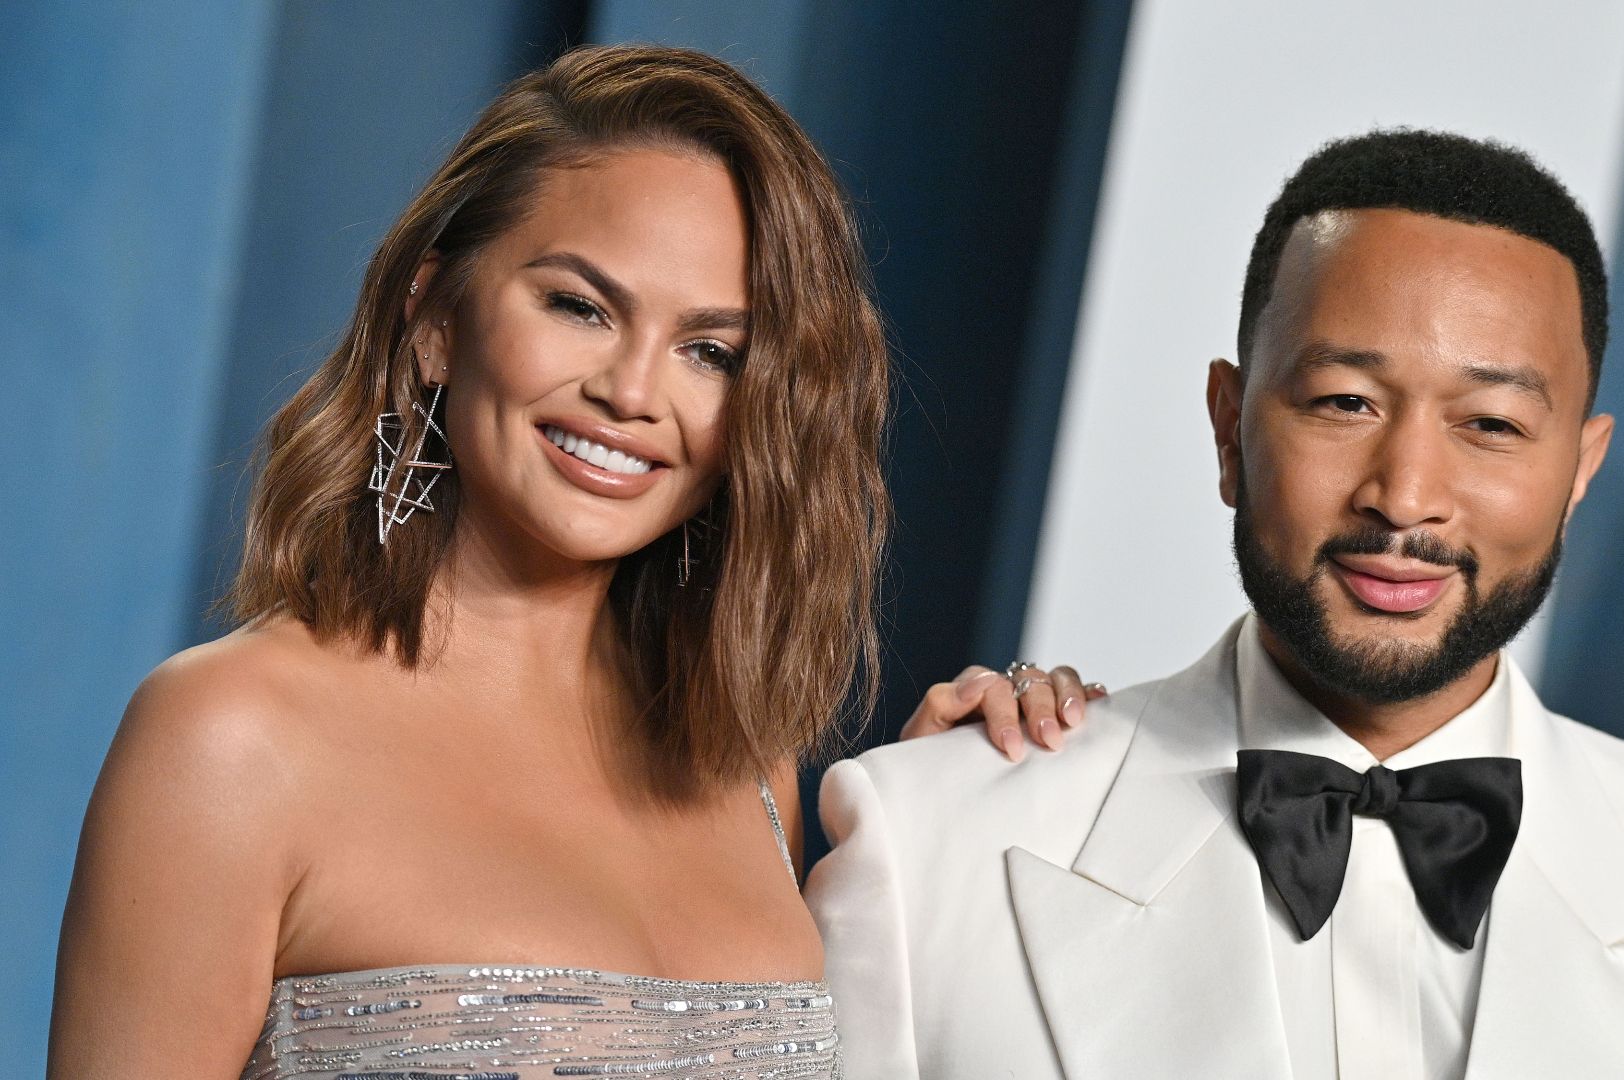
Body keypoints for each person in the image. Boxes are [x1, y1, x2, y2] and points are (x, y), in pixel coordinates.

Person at [49, 44, 1086, 1078]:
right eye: (580, 307)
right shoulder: (230, 741)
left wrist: (958, 808)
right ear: (437, 319)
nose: (634, 392)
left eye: (709, 352)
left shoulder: (743, 766)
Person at [805, 130, 1624, 1079]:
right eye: (1345, 403)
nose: (1405, 495)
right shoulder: (930, 843)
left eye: (1492, 424)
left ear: (1581, 468)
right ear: (1229, 427)